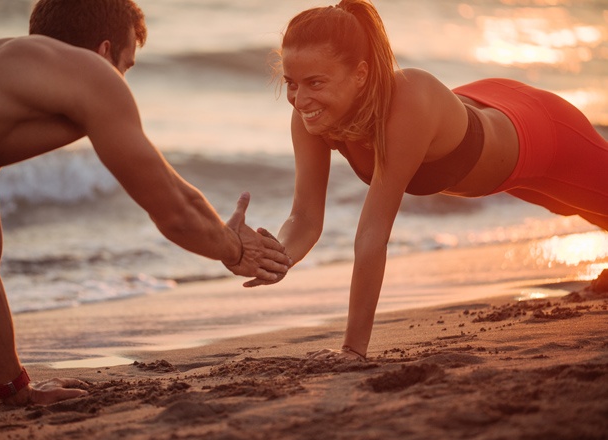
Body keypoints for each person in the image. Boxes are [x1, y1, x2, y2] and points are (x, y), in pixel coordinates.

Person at [0, 0, 290, 406]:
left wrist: (15, 390)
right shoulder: (91, 73)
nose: (123, 82)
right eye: (127, 66)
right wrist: (234, 247)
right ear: (104, 52)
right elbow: (174, 207)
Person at [245, 0, 608, 361]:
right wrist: (278, 257)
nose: (299, 98)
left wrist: (352, 350)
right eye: (291, 83)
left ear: (360, 74)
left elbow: (373, 234)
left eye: (315, 82)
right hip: (489, 112)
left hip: (541, 132)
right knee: (563, 205)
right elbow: (305, 219)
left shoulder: (409, 98)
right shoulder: (312, 115)